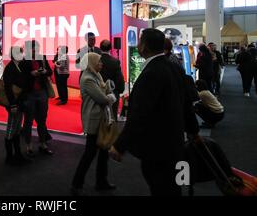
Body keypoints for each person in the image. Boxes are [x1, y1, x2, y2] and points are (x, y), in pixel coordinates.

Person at [109, 29, 199, 196]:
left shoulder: (151, 73)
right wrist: (193, 130)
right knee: (173, 188)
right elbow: (186, 103)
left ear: (144, 46)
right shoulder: (174, 68)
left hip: (158, 149)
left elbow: (139, 114)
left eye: (139, 41)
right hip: (176, 143)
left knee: (161, 188)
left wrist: (120, 145)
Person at [71, 52, 117, 195]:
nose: (101, 64)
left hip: (101, 118)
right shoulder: (87, 79)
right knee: (89, 154)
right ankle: (76, 184)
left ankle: (101, 181)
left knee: (103, 152)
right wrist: (110, 95)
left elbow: (104, 91)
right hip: (94, 120)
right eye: (99, 62)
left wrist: (107, 90)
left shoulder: (96, 75)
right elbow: (103, 98)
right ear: (92, 63)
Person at [21, 40, 53, 157]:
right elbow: (21, 78)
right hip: (29, 93)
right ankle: (28, 145)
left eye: (38, 48)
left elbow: (50, 71)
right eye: (35, 49)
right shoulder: (24, 60)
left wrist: (44, 71)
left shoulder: (42, 58)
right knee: (28, 120)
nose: (38, 51)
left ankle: (43, 143)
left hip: (42, 92)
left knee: (42, 119)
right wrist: (31, 74)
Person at [2, 46, 30, 165]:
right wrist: (12, 104)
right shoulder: (9, 68)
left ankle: (17, 154)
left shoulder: (20, 65)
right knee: (11, 128)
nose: (21, 54)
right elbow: (8, 88)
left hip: (21, 102)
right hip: (13, 103)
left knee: (17, 129)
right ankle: (9, 157)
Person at [99, 40, 124, 117]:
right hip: (112, 93)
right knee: (112, 117)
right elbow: (119, 78)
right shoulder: (115, 62)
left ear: (100, 48)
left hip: (98, 92)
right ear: (110, 48)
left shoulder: (96, 60)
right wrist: (120, 90)